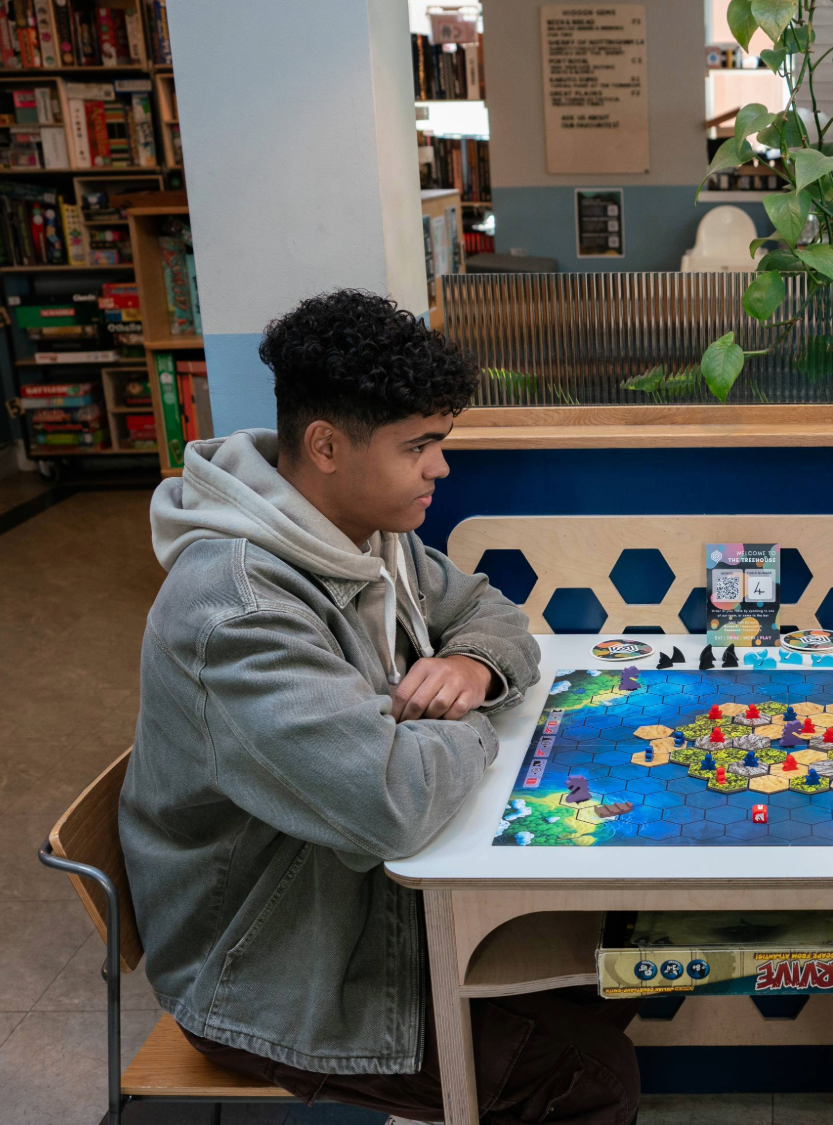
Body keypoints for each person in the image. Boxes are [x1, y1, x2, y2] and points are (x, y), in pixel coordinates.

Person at [119, 290, 641, 1125]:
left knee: (611, 948)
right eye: (420, 446)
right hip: (274, 965)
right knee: (588, 1075)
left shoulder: (363, 529)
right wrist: (472, 723)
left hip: (353, 899)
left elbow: (493, 611)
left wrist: (470, 662)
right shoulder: (237, 610)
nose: (442, 468)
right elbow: (392, 799)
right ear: (326, 445)